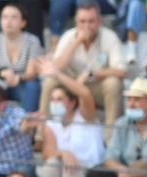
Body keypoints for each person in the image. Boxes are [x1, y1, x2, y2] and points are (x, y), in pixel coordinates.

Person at [37, 1, 126, 133]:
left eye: (91, 21)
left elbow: (121, 71)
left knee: (113, 83)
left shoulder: (110, 37)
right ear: (76, 22)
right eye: (82, 21)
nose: (86, 26)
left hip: (96, 86)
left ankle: (110, 139)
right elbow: (56, 67)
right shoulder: (68, 36)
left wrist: (94, 73)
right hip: (71, 85)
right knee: (50, 81)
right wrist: (76, 42)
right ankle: (41, 134)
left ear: (99, 21)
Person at [37, 83, 105, 177]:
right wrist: (64, 153)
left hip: (91, 170)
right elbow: (47, 153)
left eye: (59, 99)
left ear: (72, 102)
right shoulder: (52, 124)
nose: (55, 103)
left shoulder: (85, 117)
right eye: (52, 99)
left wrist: (57, 73)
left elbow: (85, 93)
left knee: (70, 167)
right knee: (51, 163)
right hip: (63, 170)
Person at [0, 1, 43, 113]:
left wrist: (17, 78)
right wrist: (2, 74)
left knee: (32, 86)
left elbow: (32, 73)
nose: (8, 21)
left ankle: (27, 124)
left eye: (14, 17)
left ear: (23, 22)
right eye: (5, 17)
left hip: (22, 82)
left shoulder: (32, 41)